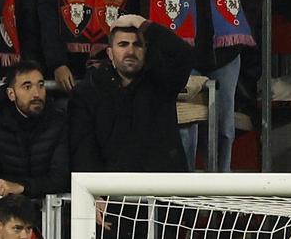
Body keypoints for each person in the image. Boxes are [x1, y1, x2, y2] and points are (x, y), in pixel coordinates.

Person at [137, 0, 262, 171]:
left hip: (226, 56)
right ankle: (186, 187)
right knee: (186, 128)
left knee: (224, 127)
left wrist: (240, 30)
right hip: (182, 61)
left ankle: (220, 186)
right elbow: (148, 15)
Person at [68, 15, 197, 173]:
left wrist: (142, 24)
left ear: (146, 51)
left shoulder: (162, 82)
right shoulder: (88, 91)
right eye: (123, 45)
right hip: (112, 191)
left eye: (137, 45)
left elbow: (184, 55)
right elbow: (83, 151)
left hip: (162, 189)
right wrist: (95, 193)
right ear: (109, 53)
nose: (130, 51)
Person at [0, 65, 70, 199]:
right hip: (3, 209)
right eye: (27, 87)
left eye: (41, 85)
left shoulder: (58, 121)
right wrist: (5, 186)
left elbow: (61, 179)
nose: (37, 94)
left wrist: (21, 187)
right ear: (11, 94)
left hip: (46, 211)